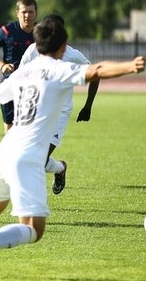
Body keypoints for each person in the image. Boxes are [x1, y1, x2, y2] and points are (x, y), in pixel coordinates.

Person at [0, 18, 146, 278]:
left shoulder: (23, 72)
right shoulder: (60, 70)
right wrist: (131, 66)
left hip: (7, 148)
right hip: (27, 156)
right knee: (34, 229)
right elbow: (98, 70)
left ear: (36, 45)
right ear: (63, 46)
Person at [19, 14, 99, 195]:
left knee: (38, 159)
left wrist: (88, 106)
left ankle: (31, 200)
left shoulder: (72, 55)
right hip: (35, 110)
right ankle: (60, 168)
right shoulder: (32, 50)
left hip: (59, 113)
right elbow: (21, 76)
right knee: (28, 156)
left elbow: (95, 75)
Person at [0, 0, 38, 133]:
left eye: (31, 12)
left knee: (33, 129)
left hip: (36, 86)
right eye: (24, 12)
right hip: (11, 84)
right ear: (17, 13)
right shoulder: (7, 31)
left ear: (36, 13)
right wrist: (2, 66)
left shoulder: (42, 33)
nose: (27, 15)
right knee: (10, 129)